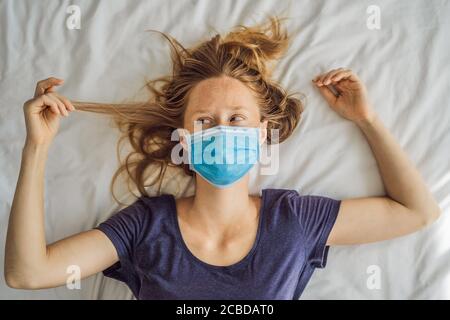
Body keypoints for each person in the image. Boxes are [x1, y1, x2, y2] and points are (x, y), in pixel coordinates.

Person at [4, 16, 441, 299]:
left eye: (236, 119)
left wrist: (366, 120)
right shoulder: (144, 225)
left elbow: (416, 211)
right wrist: (37, 147)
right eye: (206, 122)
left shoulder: (293, 220)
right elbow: (27, 273)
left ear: (262, 135)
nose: (223, 132)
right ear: (183, 140)